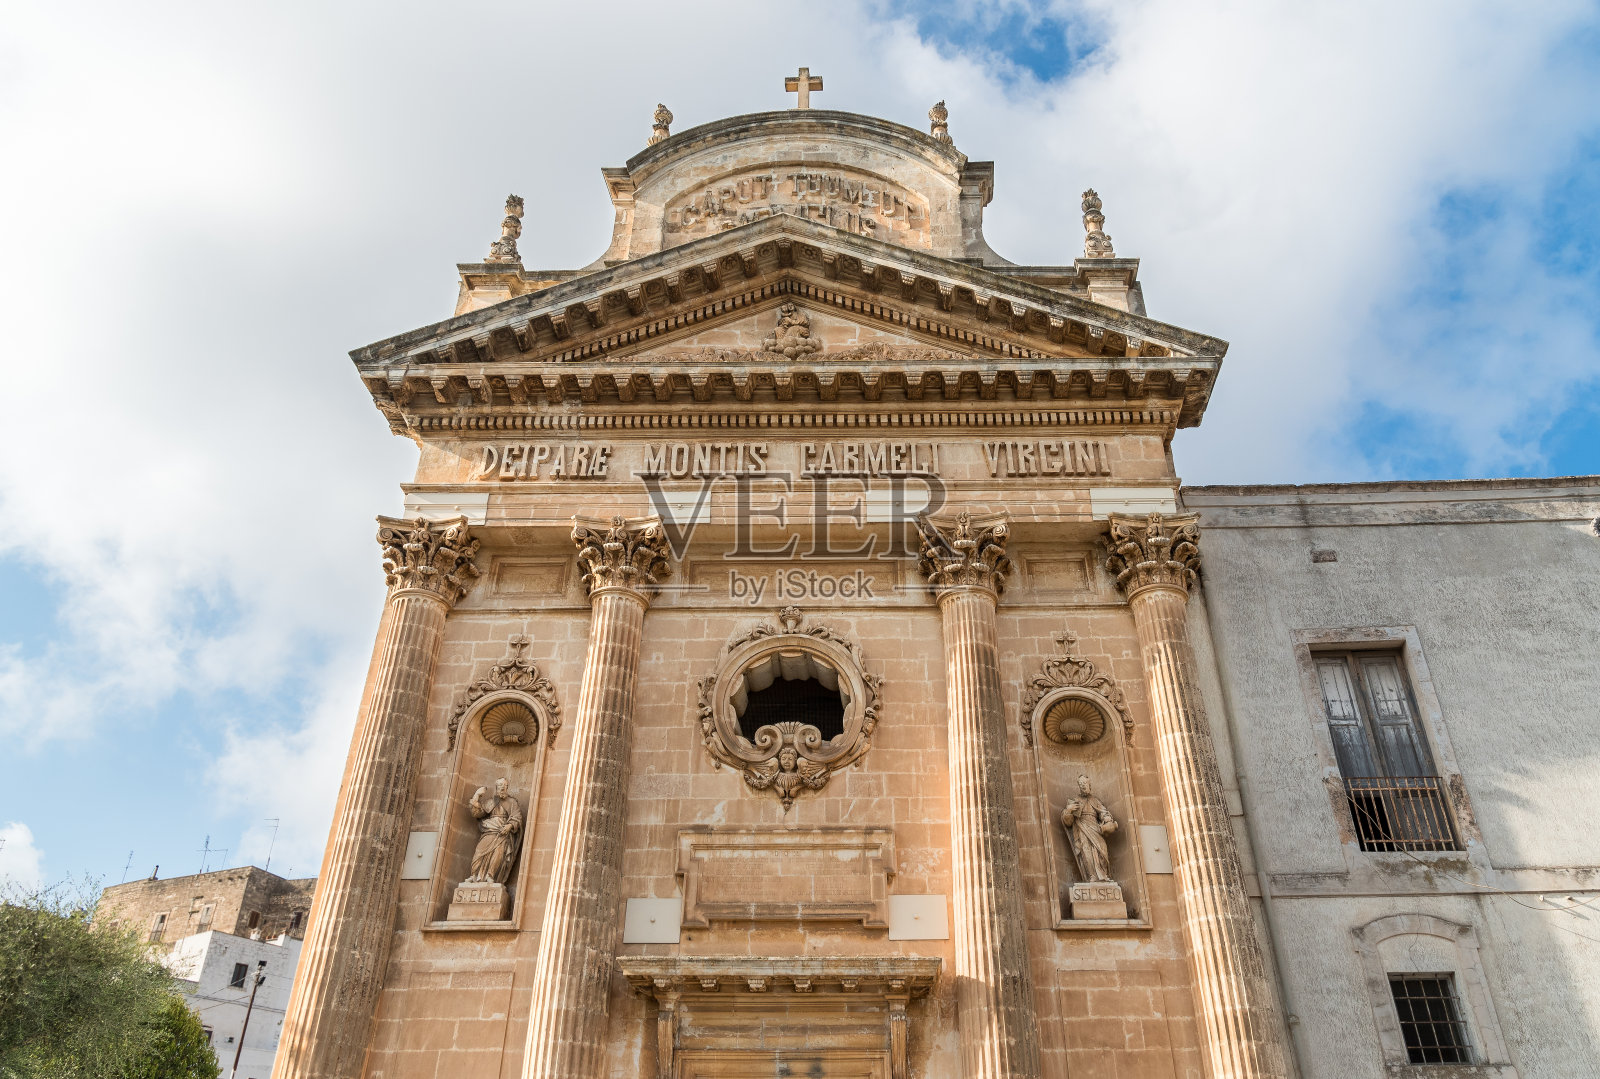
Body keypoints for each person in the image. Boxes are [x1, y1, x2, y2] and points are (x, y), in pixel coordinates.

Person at [463, 778, 523, 885]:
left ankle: (490, 876)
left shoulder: (512, 802)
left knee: (498, 854)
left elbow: (517, 817)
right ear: (496, 787)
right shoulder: (491, 801)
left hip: (502, 832)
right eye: (500, 785)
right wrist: (476, 796)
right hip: (489, 830)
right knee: (479, 852)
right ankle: (474, 875)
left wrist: (509, 826)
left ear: (507, 787)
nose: (502, 787)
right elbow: (478, 813)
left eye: (504, 785)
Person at [1060, 774, 1118, 883]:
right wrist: (1068, 811)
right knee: (1086, 852)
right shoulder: (1075, 801)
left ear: (1089, 784)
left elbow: (1103, 812)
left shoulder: (1095, 800)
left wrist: (1107, 819)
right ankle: (1092, 876)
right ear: (1079, 786)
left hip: (1095, 828)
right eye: (1081, 784)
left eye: (1085, 783)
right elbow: (1068, 822)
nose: (1083, 786)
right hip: (1082, 828)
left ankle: (1103, 875)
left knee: (1102, 850)